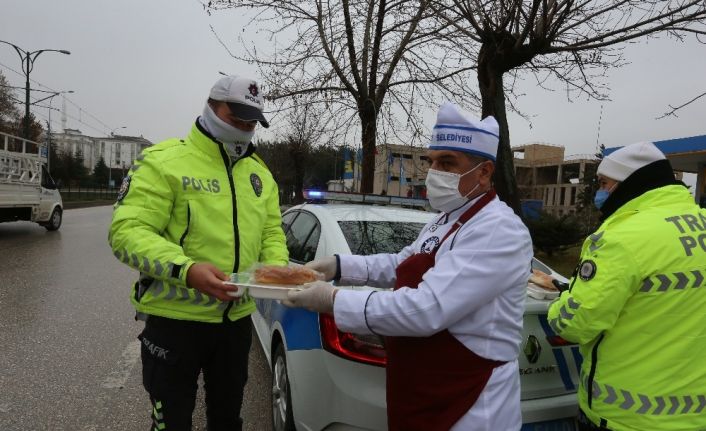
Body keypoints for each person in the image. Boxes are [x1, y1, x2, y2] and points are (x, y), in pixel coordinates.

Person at [286, 102, 533, 431]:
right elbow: (401, 264)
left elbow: (426, 309)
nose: (434, 173)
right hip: (426, 388)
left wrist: (332, 300)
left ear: (485, 172)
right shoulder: (445, 220)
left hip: (470, 401)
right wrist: (338, 265)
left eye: (447, 163)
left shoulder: (497, 229)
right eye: (432, 162)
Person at [109, 75, 288, 431]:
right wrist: (186, 270)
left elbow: (271, 232)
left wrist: (275, 271)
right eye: (235, 118)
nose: (244, 128)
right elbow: (127, 232)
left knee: (227, 420)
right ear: (210, 107)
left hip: (235, 322)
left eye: (251, 122)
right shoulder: (164, 162)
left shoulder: (259, 174)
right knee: (171, 423)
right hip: (174, 322)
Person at [547, 142, 706, 431]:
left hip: (628, 416)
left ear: (631, 183)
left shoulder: (622, 238)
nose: (600, 193)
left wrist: (563, 297)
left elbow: (574, 324)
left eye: (605, 183)